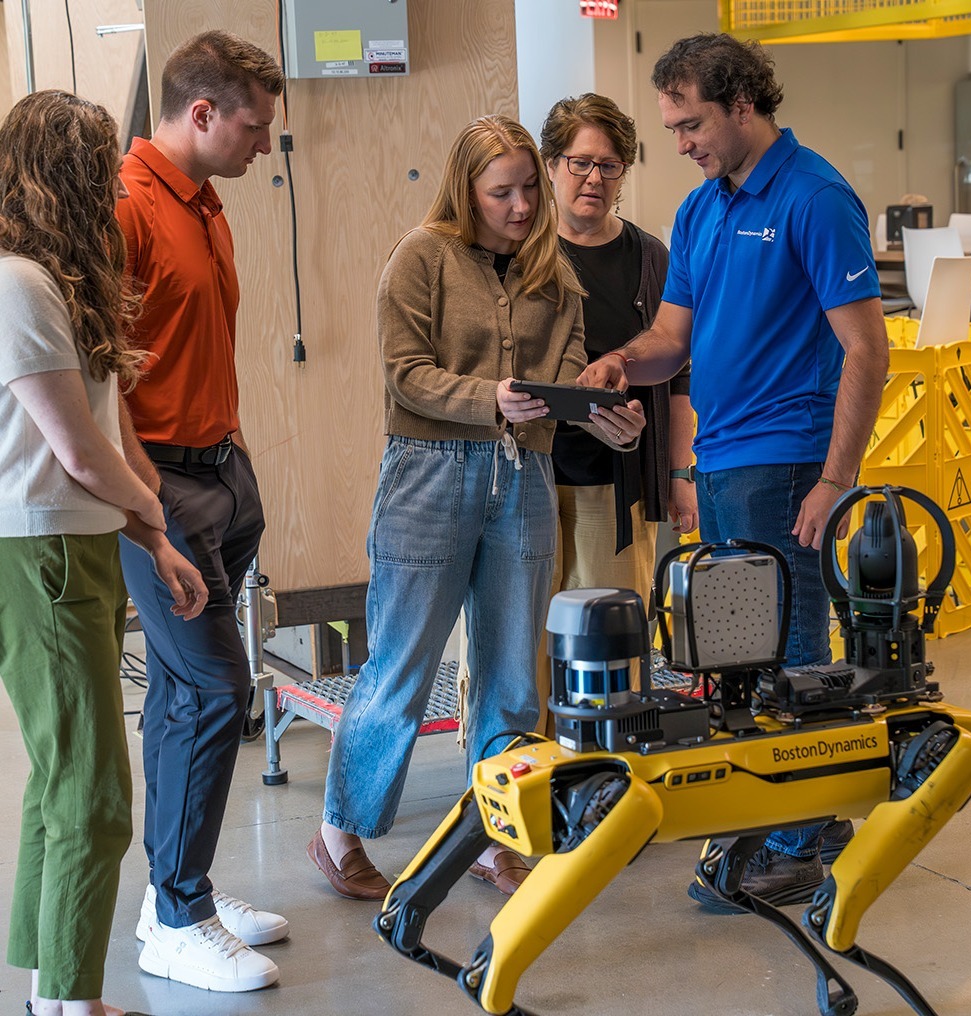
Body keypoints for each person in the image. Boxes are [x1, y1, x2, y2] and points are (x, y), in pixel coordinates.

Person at [579, 33, 890, 912]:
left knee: (794, 659)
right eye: (674, 127)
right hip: (719, 463)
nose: (679, 143)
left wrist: (835, 481)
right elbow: (671, 341)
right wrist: (617, 363)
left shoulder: (816, 198)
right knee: (739, 663)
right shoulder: (702, 208)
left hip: (788, 467)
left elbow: (867, 350)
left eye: (690, 124)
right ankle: (776, 813)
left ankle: (806, 835)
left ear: (742, 104)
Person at [307, 114, 646, 901]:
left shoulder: (552, 274)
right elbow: (405, 375)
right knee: (401, 663)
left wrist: (605, 414)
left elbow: (562, 381)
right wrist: (487, 398)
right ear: (467, 189)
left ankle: (500, 834)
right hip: (428, 474)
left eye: (530, 189)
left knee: (509, 674)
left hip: (524, 476)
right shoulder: (420, 258)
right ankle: (340, 833)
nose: (523, 206)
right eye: (504, 192)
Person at [0, 89, 207, 1016]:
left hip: (72, 549)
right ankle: (68, 1005)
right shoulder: (18, 283)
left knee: (61, 780)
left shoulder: (55, 279)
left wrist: (153, 538)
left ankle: (49, 987)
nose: (110, 188)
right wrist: (152, 504)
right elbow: (76, 451)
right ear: (63, 176)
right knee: (93, 792)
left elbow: (105, 432)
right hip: (37, 554)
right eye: (97, 169)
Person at [115, 31, 288, 991]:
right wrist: (144, 500)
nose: (266, 144)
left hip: (223, 467)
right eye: (255, 127)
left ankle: (176, 890)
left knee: (187, 697)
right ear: (203, 114)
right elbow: (99, 375)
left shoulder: (208, 201)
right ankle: (177, 917)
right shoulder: (127, 208)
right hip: (162, 486)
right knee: (219, 691)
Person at [536, 93, 696, 730]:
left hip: (615, 483)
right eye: (578, 163)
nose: (593, 179)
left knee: (609, 640)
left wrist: (680, 475)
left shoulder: (651, 258)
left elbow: (678, 377)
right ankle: (528, 772)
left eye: (609, 166)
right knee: (527, 643)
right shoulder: (522, 255)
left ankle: (607, 769)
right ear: (551, 165)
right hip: (531, 478)